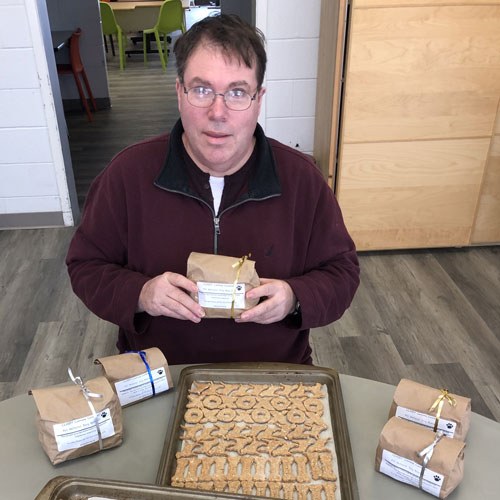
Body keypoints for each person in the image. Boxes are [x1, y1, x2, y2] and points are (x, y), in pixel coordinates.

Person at [66, 14, 360, 365]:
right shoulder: (127, 175)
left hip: (272, 375)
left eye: (237, 92)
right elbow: (85, 265)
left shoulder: (302, 181)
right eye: (202, 89)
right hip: (160, 372)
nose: (218, 112)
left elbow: (342, 272)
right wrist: (140, 293)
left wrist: (296, 297)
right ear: (179, 92)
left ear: (258, 99)